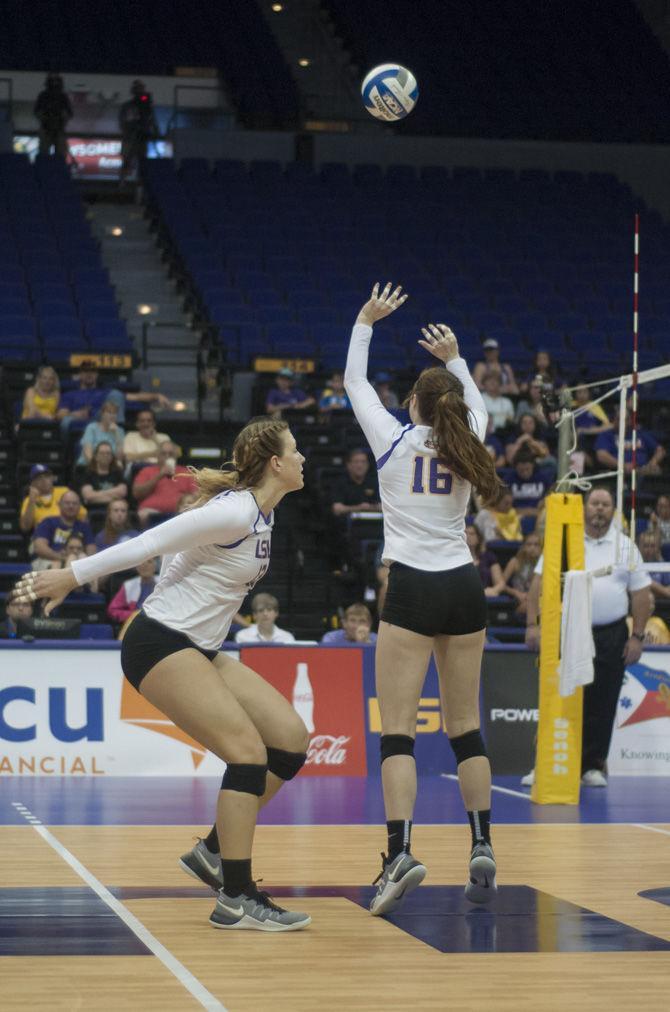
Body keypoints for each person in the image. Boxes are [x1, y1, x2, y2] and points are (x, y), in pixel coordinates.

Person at [15, 416, 311, 931]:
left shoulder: (264, 514)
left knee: (289, 741)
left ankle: (214, 852)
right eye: (296, 449)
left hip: (201, 646)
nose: (304, 457)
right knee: (246, 755)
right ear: (275, 463)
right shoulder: (236, 511)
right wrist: (72, 574)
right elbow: (150, 542)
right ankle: (236, 897)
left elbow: (183, 564)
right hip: (160, 641)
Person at [344, 282, 501, 914]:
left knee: (399, 735)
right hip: (463, 584)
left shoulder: (391, 440)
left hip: (410, 583)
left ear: (412, 402)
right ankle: (482, 842)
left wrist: (366, 320)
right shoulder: (471, 437)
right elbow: (476, 404)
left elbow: (356, 383)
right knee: (466, 729)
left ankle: (400, 854)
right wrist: (456, 356)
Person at [525, 486, 652, 787]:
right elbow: (537, 584)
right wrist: (533, 624)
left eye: (605, 504)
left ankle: (591, 766)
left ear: (613, 511)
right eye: (594, 503)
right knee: (557, 697)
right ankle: (545, 764)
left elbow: (642, 594)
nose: (599, 509)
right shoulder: (565, 542)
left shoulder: (625, 546)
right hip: (567, 631)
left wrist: (637, 636)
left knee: (603, 700)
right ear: (584, 508)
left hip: (611, 633)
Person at [132, 441, 196, 526]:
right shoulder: (147, 471)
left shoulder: (185, 472)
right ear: (158, 456)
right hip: (152, 513)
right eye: (163, 454)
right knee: (142, 515)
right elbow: (137, 494)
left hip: (179, 513)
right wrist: (160, 475)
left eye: (171, 454)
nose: (167, 457)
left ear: (176, 456)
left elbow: (196, 496)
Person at [595, 404, 665, 477]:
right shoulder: (606, 435)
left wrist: (652, 463)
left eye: (626, 419)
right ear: (614, 420)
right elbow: (602, 456)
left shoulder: (640, 433)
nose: (623, 422)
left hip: (643, 468)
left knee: (656, 470)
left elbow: (660, 450)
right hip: (618, 470)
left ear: (630, 420)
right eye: (619, 419)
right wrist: (623, 465)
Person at [19, 464, 87, 535]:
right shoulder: (29, 500)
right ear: (33, 483)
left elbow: (83, 516)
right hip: (43, 536)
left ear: (52, 478)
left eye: (46, 476)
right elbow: (25, 527)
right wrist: (32, 501)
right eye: (39, 478)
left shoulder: (64, 491)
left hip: (68, 534)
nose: (43, 480)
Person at [32, 491, 96, 565]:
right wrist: (62, 558)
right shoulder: (48, 522)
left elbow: (91, 551)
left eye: (74, 503)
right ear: (59, 504)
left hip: (77, 561)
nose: (71, 506)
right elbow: (40, 548)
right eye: (67, 503)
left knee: (82, 558)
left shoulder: (84, 526)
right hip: (48, 560)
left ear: (80, 506)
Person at [119, 80, 159, 183]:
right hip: (130, 137)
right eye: (138, 89)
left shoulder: (146, 105)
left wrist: (154, 131)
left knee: (142, 162)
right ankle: (122, 182)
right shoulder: (128, 106)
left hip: (142, 138)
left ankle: (140, 183)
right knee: (127, 160)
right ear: (133, 91)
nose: (140, 91)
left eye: (141, 88)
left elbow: (151, 120)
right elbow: (124, 122)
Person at [76, 442, 128, 509]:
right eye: (102, 453)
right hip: (94, 511)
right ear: (96, 457)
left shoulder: (117, 473)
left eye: (108, 453)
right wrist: (114, 495)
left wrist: (96, 495)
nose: (105, 456)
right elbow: (88, 496)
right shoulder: (88, 474)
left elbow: (122, 493)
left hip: (115, 511)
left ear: (112, 457)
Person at [502, 532, 543, 617]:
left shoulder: (544, 564)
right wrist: (516, 593)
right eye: (529, 544)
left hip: (537, 599)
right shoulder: (515, 562)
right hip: (518, 599)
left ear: (541, 548)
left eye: (536, 545)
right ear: (524, 547)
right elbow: (501, 585)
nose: (532, 548)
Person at [108, 559, 158, 624]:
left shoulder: (165, 582)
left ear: (155, 566)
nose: (145, 565)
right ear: (136, 567)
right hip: (136, 624)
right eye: (141, 562)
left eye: (149, 562)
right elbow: (112, 610)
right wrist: (133, 615)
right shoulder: (128, 586)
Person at [34, 72, 72, 157]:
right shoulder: (43, 96)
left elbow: (69, 113)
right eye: (52, 81)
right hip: (46, 128)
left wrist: (62, 121)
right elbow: (37, 112)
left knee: (60, 155)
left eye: (56, 81)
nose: (54, 83)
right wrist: (45, 120)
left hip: (59, 129)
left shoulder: (63, 96)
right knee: (43, 154)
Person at [77, 399, 125, 466]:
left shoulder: (119, 431)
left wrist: (116, 434)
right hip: (89, 465)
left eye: (114, 413)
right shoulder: (91, 428)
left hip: (109, 467)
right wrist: (98, 468)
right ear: (102, 414)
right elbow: (88, 454)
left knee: (119, 465)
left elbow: (119, 458)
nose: (112, 415)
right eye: (109, 412)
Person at [508, 451, 551, 520]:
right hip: (515, 515)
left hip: (540, 515)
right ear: (516, 468)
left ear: (533, 466)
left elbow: (551, 493)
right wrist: (527, 511)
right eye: (521, 470)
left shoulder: (543, 477)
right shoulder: (509, 479)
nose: (525, 473)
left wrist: (544, 502)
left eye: (527, 469)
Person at [466, 524, 505, 597]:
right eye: (465, 534)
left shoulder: (489, 557)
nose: (467, 536)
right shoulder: (455, 559)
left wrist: (493, 590)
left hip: (486, 596)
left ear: (478, 538)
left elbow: (501, 584)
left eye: (472, 534)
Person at [637, 528, 670, 600]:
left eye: (652, 546)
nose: (649, 549)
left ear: (658, 548)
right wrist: (663, 591)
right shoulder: (635, 566)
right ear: (640, 548)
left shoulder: (663, 566)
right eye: (646, 546)